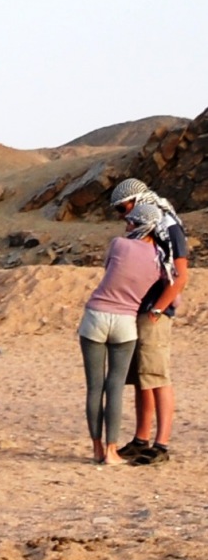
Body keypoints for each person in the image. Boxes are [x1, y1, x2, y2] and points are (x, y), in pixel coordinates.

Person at [110, 177, 187, 464]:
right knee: (141, 379)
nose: (122, 216)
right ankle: (141, 440)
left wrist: (158, 310)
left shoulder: (169, 227)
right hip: (136, 309)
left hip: (154, 313)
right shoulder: (143, 228)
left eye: (123, 208)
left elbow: (180, 276)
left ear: (138, 201)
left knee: (157, 376)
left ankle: (161, 445)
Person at [78, 222, 157, 462]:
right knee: (115, 387)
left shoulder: (119, 244)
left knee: (94, 387)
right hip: (126, 320)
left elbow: (109, 270)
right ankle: (112, 450)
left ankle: (97, 448)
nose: (127, 224)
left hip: (96, 315)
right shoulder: (159, 258)